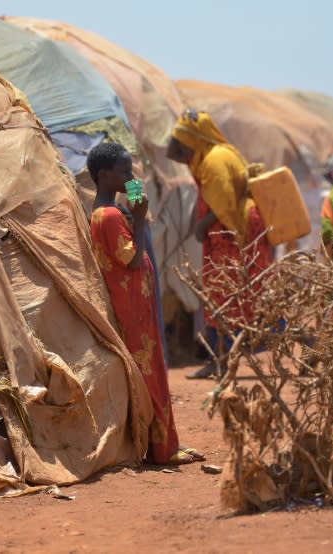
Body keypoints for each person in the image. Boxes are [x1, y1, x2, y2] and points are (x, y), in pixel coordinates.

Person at [86, 142, 205, 465]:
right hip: (132, 308)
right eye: (125, 172)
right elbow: (133, 259)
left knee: (149, 374)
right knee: (151, 375)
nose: (131, 176)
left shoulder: (106, 211)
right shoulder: (110, 216)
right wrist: (138, 219)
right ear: (105, 175)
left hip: (134, 304)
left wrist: (132, 213)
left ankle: (162, 444)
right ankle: (163, 448)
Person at [166, 109, 273, 379]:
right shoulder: (210, 156)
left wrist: (201, 227)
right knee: (225, 296)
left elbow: (223, 203)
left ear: (195, 139)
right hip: (226, 236)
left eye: (181, 140)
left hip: (231, 236)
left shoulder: (214, 160)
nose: (176, 146)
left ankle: (223, 360)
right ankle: (221, 360)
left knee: (225, 296)